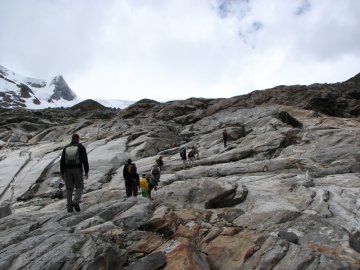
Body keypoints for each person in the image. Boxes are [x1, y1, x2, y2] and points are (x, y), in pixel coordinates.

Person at [60, 133, 89, 213]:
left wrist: (62, 172)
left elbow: (62, 161)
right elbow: (85, 160)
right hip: (77, 170)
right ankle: (76, 201)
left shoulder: (66, 148)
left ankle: (69, 207)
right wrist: (86, 171)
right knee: (80, 187)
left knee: (69, 189)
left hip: (67, 170)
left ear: (72, 139)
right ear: (78, 139)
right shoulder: (81, 147)